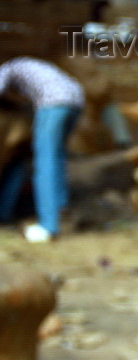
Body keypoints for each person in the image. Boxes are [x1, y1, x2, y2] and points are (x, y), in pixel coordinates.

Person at [0, 57, 84, 242]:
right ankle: (62, 210)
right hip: (76, 101)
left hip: (54, 103)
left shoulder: (8, 68)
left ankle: (48, 226)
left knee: (45, 163)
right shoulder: (32, 68)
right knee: (57, 157)